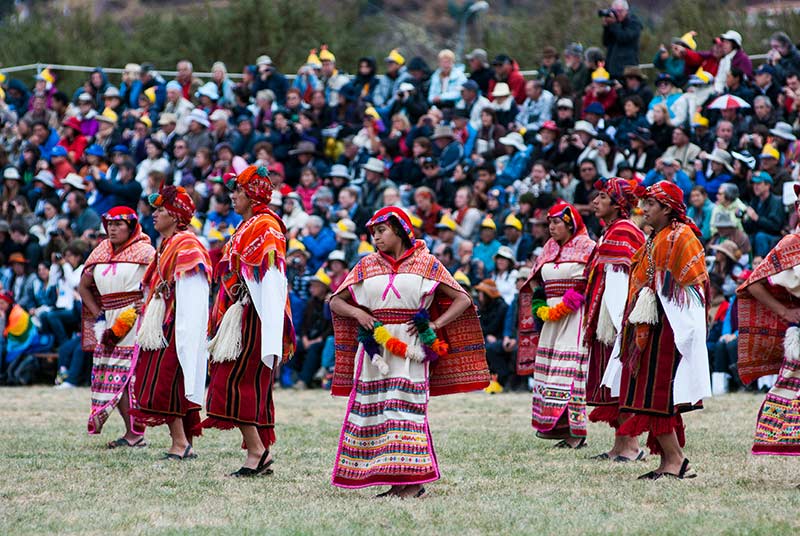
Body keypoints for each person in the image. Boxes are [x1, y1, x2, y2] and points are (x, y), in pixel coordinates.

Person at [329, 207, 488, 497]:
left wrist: (435, 323)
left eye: (382, 231)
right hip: (375, 346)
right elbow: (335, 301)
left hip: (411, 345)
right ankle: (396, 483)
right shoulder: (366, 265)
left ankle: (413, 484)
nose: (376, 237)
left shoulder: (427, 263)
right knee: (379, 411)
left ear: (400, 231)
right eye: (373, 232)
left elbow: (462, 299)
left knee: (403, 408)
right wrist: (357, 313)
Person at [203, 166, 295, 476]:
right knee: (236, 380)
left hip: (254, 314)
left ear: (253, 195)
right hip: (241, 310)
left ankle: (257, 451)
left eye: (238, 191)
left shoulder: (266, 226)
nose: (232, 196)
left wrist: (271, 326)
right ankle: (257, 450)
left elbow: (270, 278)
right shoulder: (247, 226)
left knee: (234, 381)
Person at [616, 181, 710, 480]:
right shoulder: (657, 237)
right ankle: (671, 460)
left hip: (669, 330)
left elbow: (694, 289)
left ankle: (676, 461)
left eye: (651, 205)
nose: (643, 210)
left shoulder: (682, 237)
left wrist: (659, 293)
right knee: (649, 396)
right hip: (650, 327)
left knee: (658, 397)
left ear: (668, 209)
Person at [131, 186, 211, 461]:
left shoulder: (188, 244)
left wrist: (183, 325)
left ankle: (181, 443)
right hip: (164, 323)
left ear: (176, 216)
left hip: (176, 326)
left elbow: (192, 290)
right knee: (164, 382)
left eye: (161, 210)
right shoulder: (167, 244)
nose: (155, 215)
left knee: (166, 384)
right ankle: (182, 442)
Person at [517, 202, 596, 448]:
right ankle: (560, 429)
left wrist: (570, 302)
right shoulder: (548, 248)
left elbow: (591, 281)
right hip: (550, 317)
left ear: (570, 223)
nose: (551, 227)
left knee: (569, 372)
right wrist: (539, 302)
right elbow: (535, 280)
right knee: (551, 371)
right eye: (549, 223)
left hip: (574, 317)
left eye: (556, 222)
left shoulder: (588, 247)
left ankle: (576, 432)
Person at [78, 207, 155, 446]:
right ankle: (132, 432)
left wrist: (148, 303)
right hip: (108, 320)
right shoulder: (100, 251)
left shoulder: (145, 251)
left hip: (134, 319)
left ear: (131, 226)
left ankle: (135, 434)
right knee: (112, 376)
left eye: (118, 224)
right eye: (109, 223)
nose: (112, 228)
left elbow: (158, 282)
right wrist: (98, 312)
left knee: (128, 377)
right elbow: (84, 286)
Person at [583, 178, 646, 461]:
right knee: (613, 382)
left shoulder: (623, 231)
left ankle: (632, 447)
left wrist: (624, 323)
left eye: (602, 197)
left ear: (618, 204)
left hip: (619, 318)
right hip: (608, 319)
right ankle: (619, 446)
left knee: (622, 379)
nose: (595, 201)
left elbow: (624, 281)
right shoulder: (611, 231)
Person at [736, 188, 800, 456]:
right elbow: (753, 283)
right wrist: (784, 313)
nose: (799, 206)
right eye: (798, 202)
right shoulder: (792, 243)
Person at [601, 0, 642, 80]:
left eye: (620, 11)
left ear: (626, 11)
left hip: (626, 70)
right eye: (615, 11)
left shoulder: (634, 23)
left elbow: (623, 37)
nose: (617, 14)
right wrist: (606, 27)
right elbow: (605, 42)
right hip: (611, 68)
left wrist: (614, 25)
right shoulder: (614, 24)